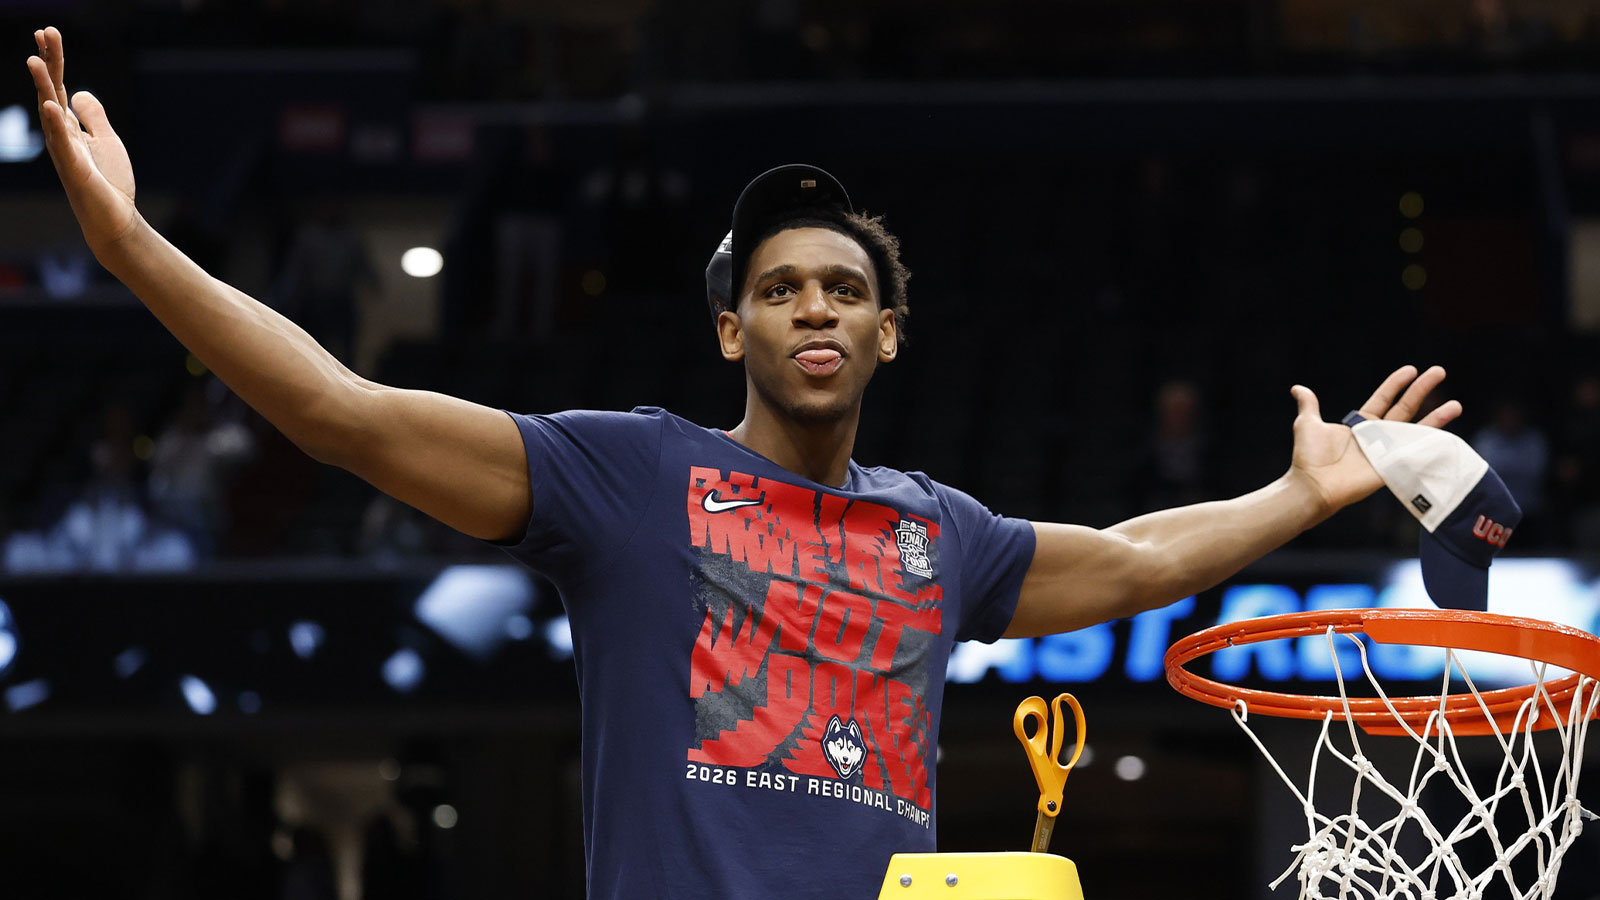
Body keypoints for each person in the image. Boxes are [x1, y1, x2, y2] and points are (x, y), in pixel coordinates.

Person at [27, 27, 1465, 900]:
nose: (815, 308)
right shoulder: (627, 481)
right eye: (780, 289)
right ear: (733, 328)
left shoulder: (939, 534)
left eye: (843, 288)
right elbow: (346, 409)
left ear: (888, 333)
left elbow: (1139, 558)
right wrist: (134, 251)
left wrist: (1298, 494)